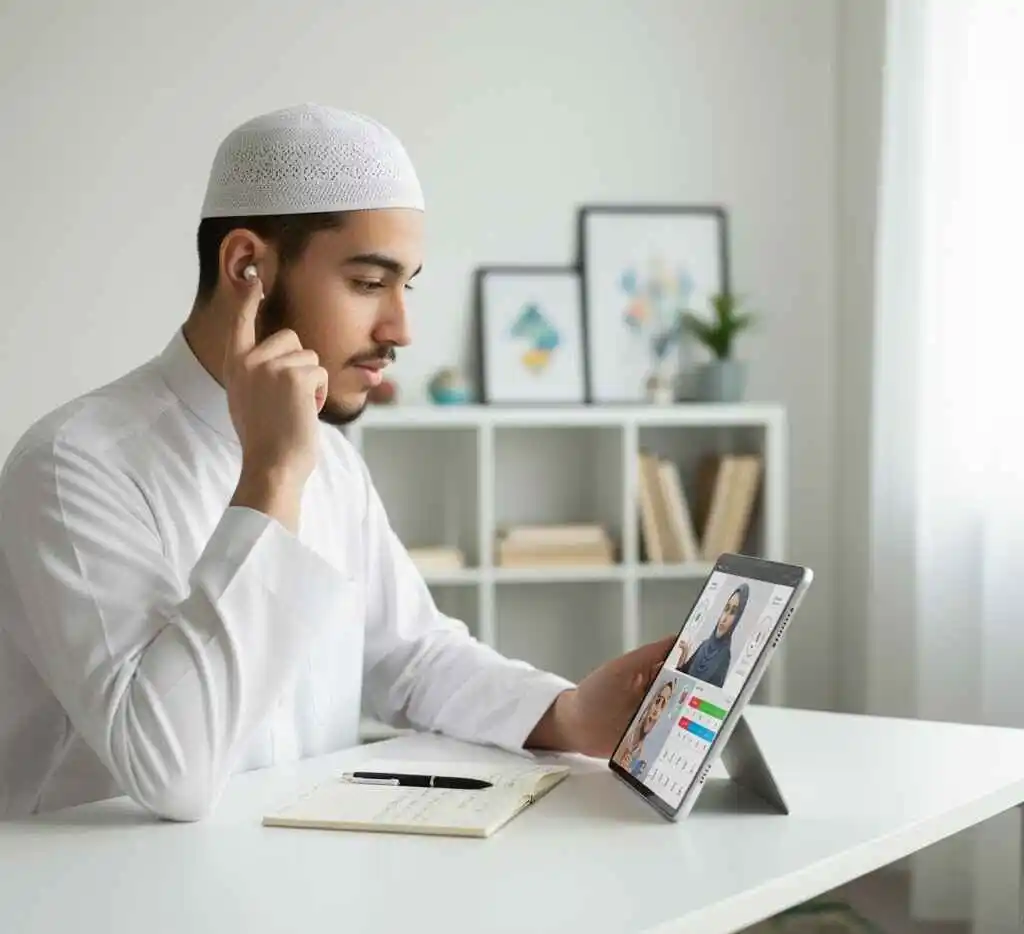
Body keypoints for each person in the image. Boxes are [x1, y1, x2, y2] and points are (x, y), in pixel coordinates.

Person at [0, 104, 673, 821]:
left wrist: (568, 714)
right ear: (246, 265)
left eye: (405, 284)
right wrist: (272, 479)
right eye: (366, 282)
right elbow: (173, 772)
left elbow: (413, 657)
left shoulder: (335, 465)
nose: (400, 329)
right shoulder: (73, 466)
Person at [675, 583, 750, 688]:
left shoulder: (724, 655)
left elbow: (712, 695)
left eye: (733, 612)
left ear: (737, 619)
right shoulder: (704, 645)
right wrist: (685, 652)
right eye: (726, 609)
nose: (724, 618)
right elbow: (680, 676)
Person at [613, 677, 677, 778]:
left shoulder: (641, 751)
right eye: (657, 701)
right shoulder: (627, 737)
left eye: (663, 705)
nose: (656, 710)